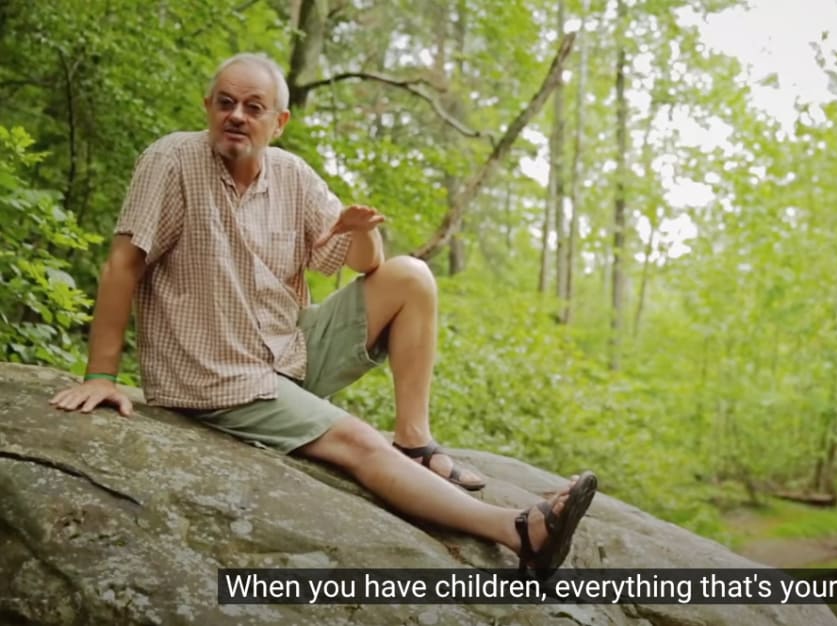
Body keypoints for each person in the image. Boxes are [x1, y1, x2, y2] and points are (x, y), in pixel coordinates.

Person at [48, 52, 596, 580]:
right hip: (216, 375)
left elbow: (367, 263)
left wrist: (360, 230)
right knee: (358, 442)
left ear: (279, 121)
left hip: (287, 347)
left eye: (253, 107)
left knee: (412, 276)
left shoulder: (292, 176)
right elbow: (123, 264)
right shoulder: (170, 162)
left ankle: (414, 441)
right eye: (225, 102)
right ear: (208, 105)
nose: (236, 115)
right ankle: (520, 532)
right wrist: (101, 375)